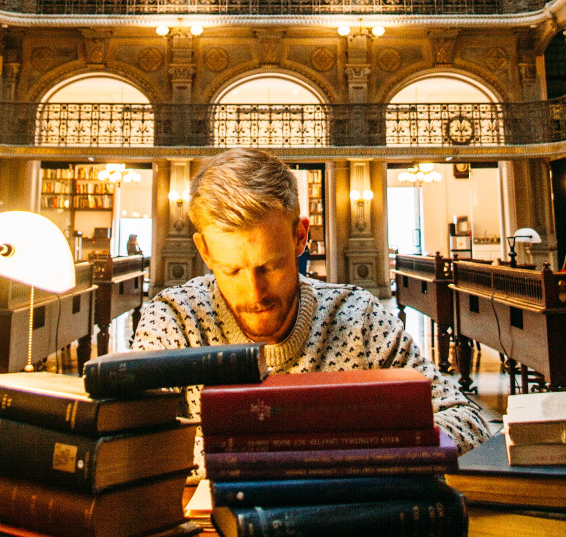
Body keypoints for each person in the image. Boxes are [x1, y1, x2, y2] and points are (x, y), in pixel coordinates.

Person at [130, 147, 490, 473]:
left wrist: (344, 453)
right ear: (205, 251)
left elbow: (467, 422)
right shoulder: (173, 321)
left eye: (269, 266)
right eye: (232, 270)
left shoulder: (358, 318)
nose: (255, 293)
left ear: (301, 237)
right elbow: (133, 451)